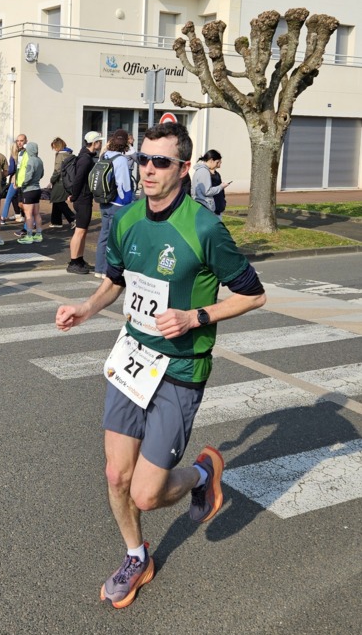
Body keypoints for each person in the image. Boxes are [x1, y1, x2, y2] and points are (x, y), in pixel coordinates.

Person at [56, 120, 266, 608]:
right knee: (116, 476)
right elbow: (114, 280)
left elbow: (253, 295)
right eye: (142, 160)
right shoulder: (126, 219)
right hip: (133, 359)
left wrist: (196, 316)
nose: (148, 169)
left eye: (160, 162)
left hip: (181, 368)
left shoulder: (204, 227)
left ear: (183, 168)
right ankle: (136, 556)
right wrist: (85, 309)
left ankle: (202, 475)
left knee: (147, 494)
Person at [93, 129, 133, 279]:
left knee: (104, 235)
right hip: (117, 202)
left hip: (104, 199)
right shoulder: (121, 160)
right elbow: (124, 184)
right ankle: (107, 270)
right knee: (113, 238)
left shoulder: (104, 155)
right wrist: (128, 202)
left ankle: (99, 268)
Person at [66, 131, 103, 274]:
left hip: (83, 197)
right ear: (94, 143)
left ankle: (79, 259)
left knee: (83, 230)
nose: (100, 144)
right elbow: (79, 179)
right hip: (82, 198)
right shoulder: (85, 159)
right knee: (80, 231)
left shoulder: (86, 156)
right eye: (99, 141)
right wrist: (74, 196)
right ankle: (73, 262)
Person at [17, 142, 44, 244]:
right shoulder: (39, 160)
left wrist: (24, 184)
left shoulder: (30, 161)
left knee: (28, 215)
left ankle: (29, 236)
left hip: (29, 190)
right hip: (37, 189)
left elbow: (29, 175)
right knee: (36, 213)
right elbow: (42, 174)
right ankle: (38, 234)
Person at [48, 138, 76, 229]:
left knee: (59, 201)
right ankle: (56, 221)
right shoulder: (69, 154)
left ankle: (72, 219)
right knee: (57, 200)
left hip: (59, 181)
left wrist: (52, 180)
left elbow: (57, 170)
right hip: (66, 180)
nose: (54, 149)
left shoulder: (60, 155)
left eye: (55, 147)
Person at [0, 142, 20, 224]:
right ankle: (19, 214)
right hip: (21, 178)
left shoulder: (13, 157)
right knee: (19, 198)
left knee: (8, 198)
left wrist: (3, 174)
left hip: (14, 179)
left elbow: (11, 169)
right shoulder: (22, 155)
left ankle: (3, 217)